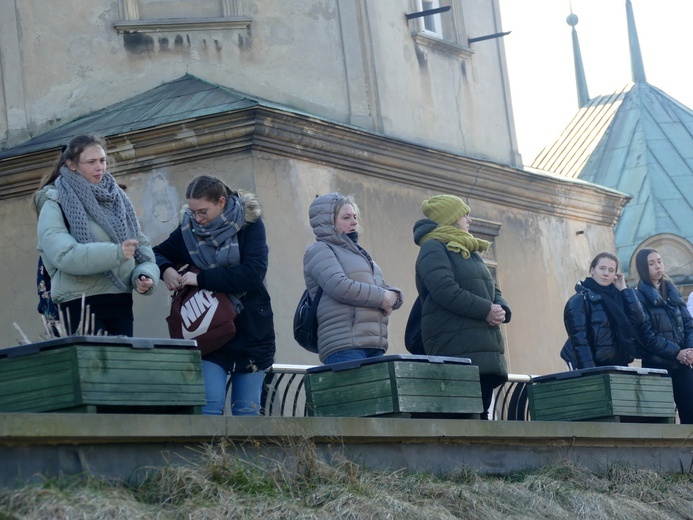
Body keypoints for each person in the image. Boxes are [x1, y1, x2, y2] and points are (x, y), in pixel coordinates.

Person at [153, 175, 275, 416]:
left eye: (203, 212)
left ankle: (242, 456)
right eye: (192, 211)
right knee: (208, 408)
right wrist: (165, 269)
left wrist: (201, 279)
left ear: (221, 202)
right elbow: (155, 253)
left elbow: (252, 274)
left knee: (247, 413)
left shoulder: (249, 225)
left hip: (250, 327)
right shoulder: (188, 228)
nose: (197, 218)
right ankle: (212, 456)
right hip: (207, 329)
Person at [35, 134, 158, 336]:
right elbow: (64, 255)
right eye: (91, 162)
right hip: (79, 303)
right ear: (72, 165)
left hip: (120, 302)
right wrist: (117, 253)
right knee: (95, 368)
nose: (99, 167)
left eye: (102, 160)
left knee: (121, 368)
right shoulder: (54, 202)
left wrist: (144, 275)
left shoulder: (118, 199)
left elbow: (142, 249)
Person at [413, 194, 510, 419]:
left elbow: (491, 286)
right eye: (464, 214)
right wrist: (486, 310)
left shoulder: (467, 249)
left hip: (482, 346)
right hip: (456, 346)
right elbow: (445, 290)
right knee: (464, 417)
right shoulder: (433, 248)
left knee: (481, 415)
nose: (470, 219)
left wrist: (501, 307)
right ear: (451, 218)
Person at [303, 193, 402, 365]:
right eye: (346, 217)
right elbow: (341, 287)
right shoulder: (320, 250)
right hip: (345, 346)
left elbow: (381, 287)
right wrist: (383, 297)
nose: (354, 222)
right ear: (328, 222)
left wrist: (395, 296)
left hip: (374, 344)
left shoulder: (361, 255)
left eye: (355, 217)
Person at [634, 248, 693, 424]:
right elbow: (646, 335)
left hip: (682, 364)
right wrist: (677, 352)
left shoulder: (672, 291)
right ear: (643, 268)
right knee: (662, 420)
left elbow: (689, 324)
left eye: (659, 261)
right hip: (657, 367)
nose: (658, 266)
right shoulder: (638, 296)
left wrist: (689, 350)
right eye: (651, 264)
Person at [563, 252, 645, 369]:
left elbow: (639, 319)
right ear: (592, 270)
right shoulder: (579, 301)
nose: (606, 274)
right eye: (602, 268)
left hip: (621, 365)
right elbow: (580, 343)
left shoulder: (619, 297)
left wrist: (623, 289)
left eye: (611, 270)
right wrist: (590, 373)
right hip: (597, 368)